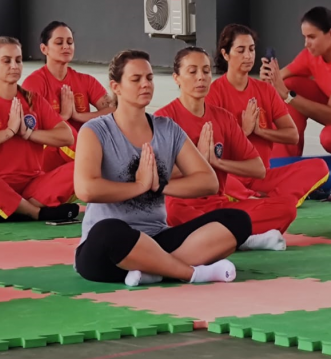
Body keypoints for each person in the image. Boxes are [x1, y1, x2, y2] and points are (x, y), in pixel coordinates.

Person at [74, 49, 252, 287]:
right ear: (116, 87)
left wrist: (161, 186)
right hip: (109, 249)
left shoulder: (167, 129)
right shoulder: (95, 131)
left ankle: (153, 270)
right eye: (136, 79)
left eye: (149, 78)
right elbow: (86, 190)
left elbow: (208, 181)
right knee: (109, 231)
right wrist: (139, 186)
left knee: (237, 219)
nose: (145, 84)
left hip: (157, 238)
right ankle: (190, 273)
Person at [157, 47, 298, 250]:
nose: (201, 78)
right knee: (172, 213)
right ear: (176, 78)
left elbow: (257, 168)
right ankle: (239, 237)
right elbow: (155, 177)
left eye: (206, 71)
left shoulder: (223, 118)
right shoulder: (164, 120)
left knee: (285, 208)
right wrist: (198, 160)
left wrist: (218, 162)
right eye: (192, 71)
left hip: (219, 206)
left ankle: (224, 236)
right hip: (182, 206)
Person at [0, 37, 80, 223]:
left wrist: (29, 134)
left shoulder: (34, 100)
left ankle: (16, 209)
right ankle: (34, 212)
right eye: (6, 61)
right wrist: (8, 132)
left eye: (18, 60)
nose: (14, 66)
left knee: (82, 168)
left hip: (31, 188)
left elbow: (67, 136)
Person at [208, 24, 329, 204]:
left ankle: (259, 200)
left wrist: (259, 131)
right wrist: (243, 131)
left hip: (261, 177)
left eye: (251, 49)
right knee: (213, 178)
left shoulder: (266, 91)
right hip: (229, 176)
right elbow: (211, 150)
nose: (248, 56)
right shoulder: (214, 93)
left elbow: (292, 135)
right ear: (226, 54)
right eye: (240, 50)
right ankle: (265, 200)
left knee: (319, 167)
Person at [260, 6, 331, 158]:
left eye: (312, 37)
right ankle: (283, 160)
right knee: (289, 83)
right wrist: (269, 77)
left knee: (330, 138)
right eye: (305, 37)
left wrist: (288, 96)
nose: (306, 43)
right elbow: (279, 79)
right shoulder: (311, 55)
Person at [22, 21, 116, 172]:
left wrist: (78, 116)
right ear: (44, 49)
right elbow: (29, 128)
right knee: (68, 133)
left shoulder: (85, 80)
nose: (66, 46)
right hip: (49, 154)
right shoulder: (34, 83)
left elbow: (113, 112)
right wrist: (62, 117)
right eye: (59, 42)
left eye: (70, 42)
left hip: (78, 154)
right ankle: (104, 169)